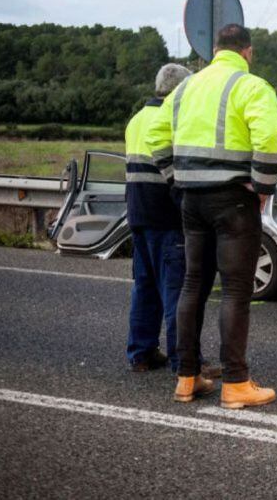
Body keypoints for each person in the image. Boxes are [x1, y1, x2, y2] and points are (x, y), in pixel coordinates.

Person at [146, 24, 277, 408]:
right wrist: (261, 188)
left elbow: (154, 136)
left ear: (214, 49)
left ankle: (187, 378)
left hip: (192, 200)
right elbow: (270, 137)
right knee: (237, 292)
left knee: (193, 286)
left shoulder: (186, 87)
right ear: (248, 52)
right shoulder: (251, 86)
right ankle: (236, 383)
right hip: (233, 200)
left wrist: (177, 179)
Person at [124, 63, 192, 373]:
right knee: (175, 293)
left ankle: (141, 353)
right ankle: (185, 362)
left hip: (138, 214)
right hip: (167, 216)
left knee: (144, 288)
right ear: (179, 91)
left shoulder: (137, 119)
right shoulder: (173, 119)